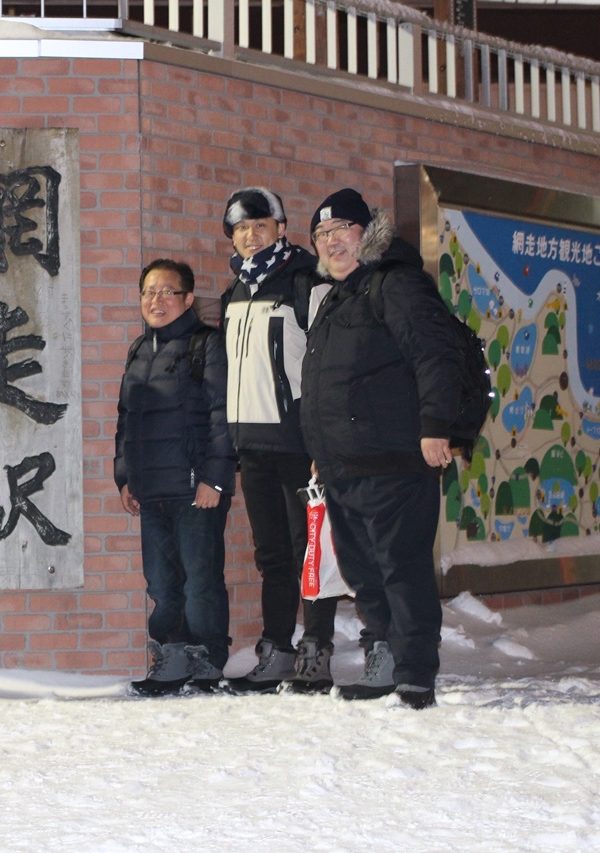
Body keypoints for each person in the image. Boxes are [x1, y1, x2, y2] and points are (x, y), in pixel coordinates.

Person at [299, 188, 460, 710]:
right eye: (322, 235)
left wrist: (436, 424)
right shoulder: (334, 300)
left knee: (401, 567)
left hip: (395, 461)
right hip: (345, 467)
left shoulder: (396, 283)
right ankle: (386, 656)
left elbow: (433, 353)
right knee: (364, 572)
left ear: (368, 232)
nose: (332, 241)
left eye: (342, 229)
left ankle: (415, 672)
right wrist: (322, 452)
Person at [215, 187, 341, 694]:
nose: (250, 235)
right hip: (253, 444)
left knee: (308, 549)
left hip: (297, 443)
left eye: (260, 225)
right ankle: (277, 649)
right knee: (271, 556)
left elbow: (325, 363)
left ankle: (317, 649)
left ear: (281, 228)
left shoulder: (306, 281)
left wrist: (320, 441)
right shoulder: (235, 292)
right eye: (241, 227)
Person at [115, 259, 236, 696]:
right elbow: (127, 420)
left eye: (167, 291)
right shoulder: (138, 352)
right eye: (148, 292)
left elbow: (225, 416)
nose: (156, 300)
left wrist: (215, 478)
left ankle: (206, 660)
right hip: (151, 491)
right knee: (162, 584)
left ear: (188, 299)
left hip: (195, 487)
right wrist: (125, 477)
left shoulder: (207, 345)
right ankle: (171, 656)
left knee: (200, 580)